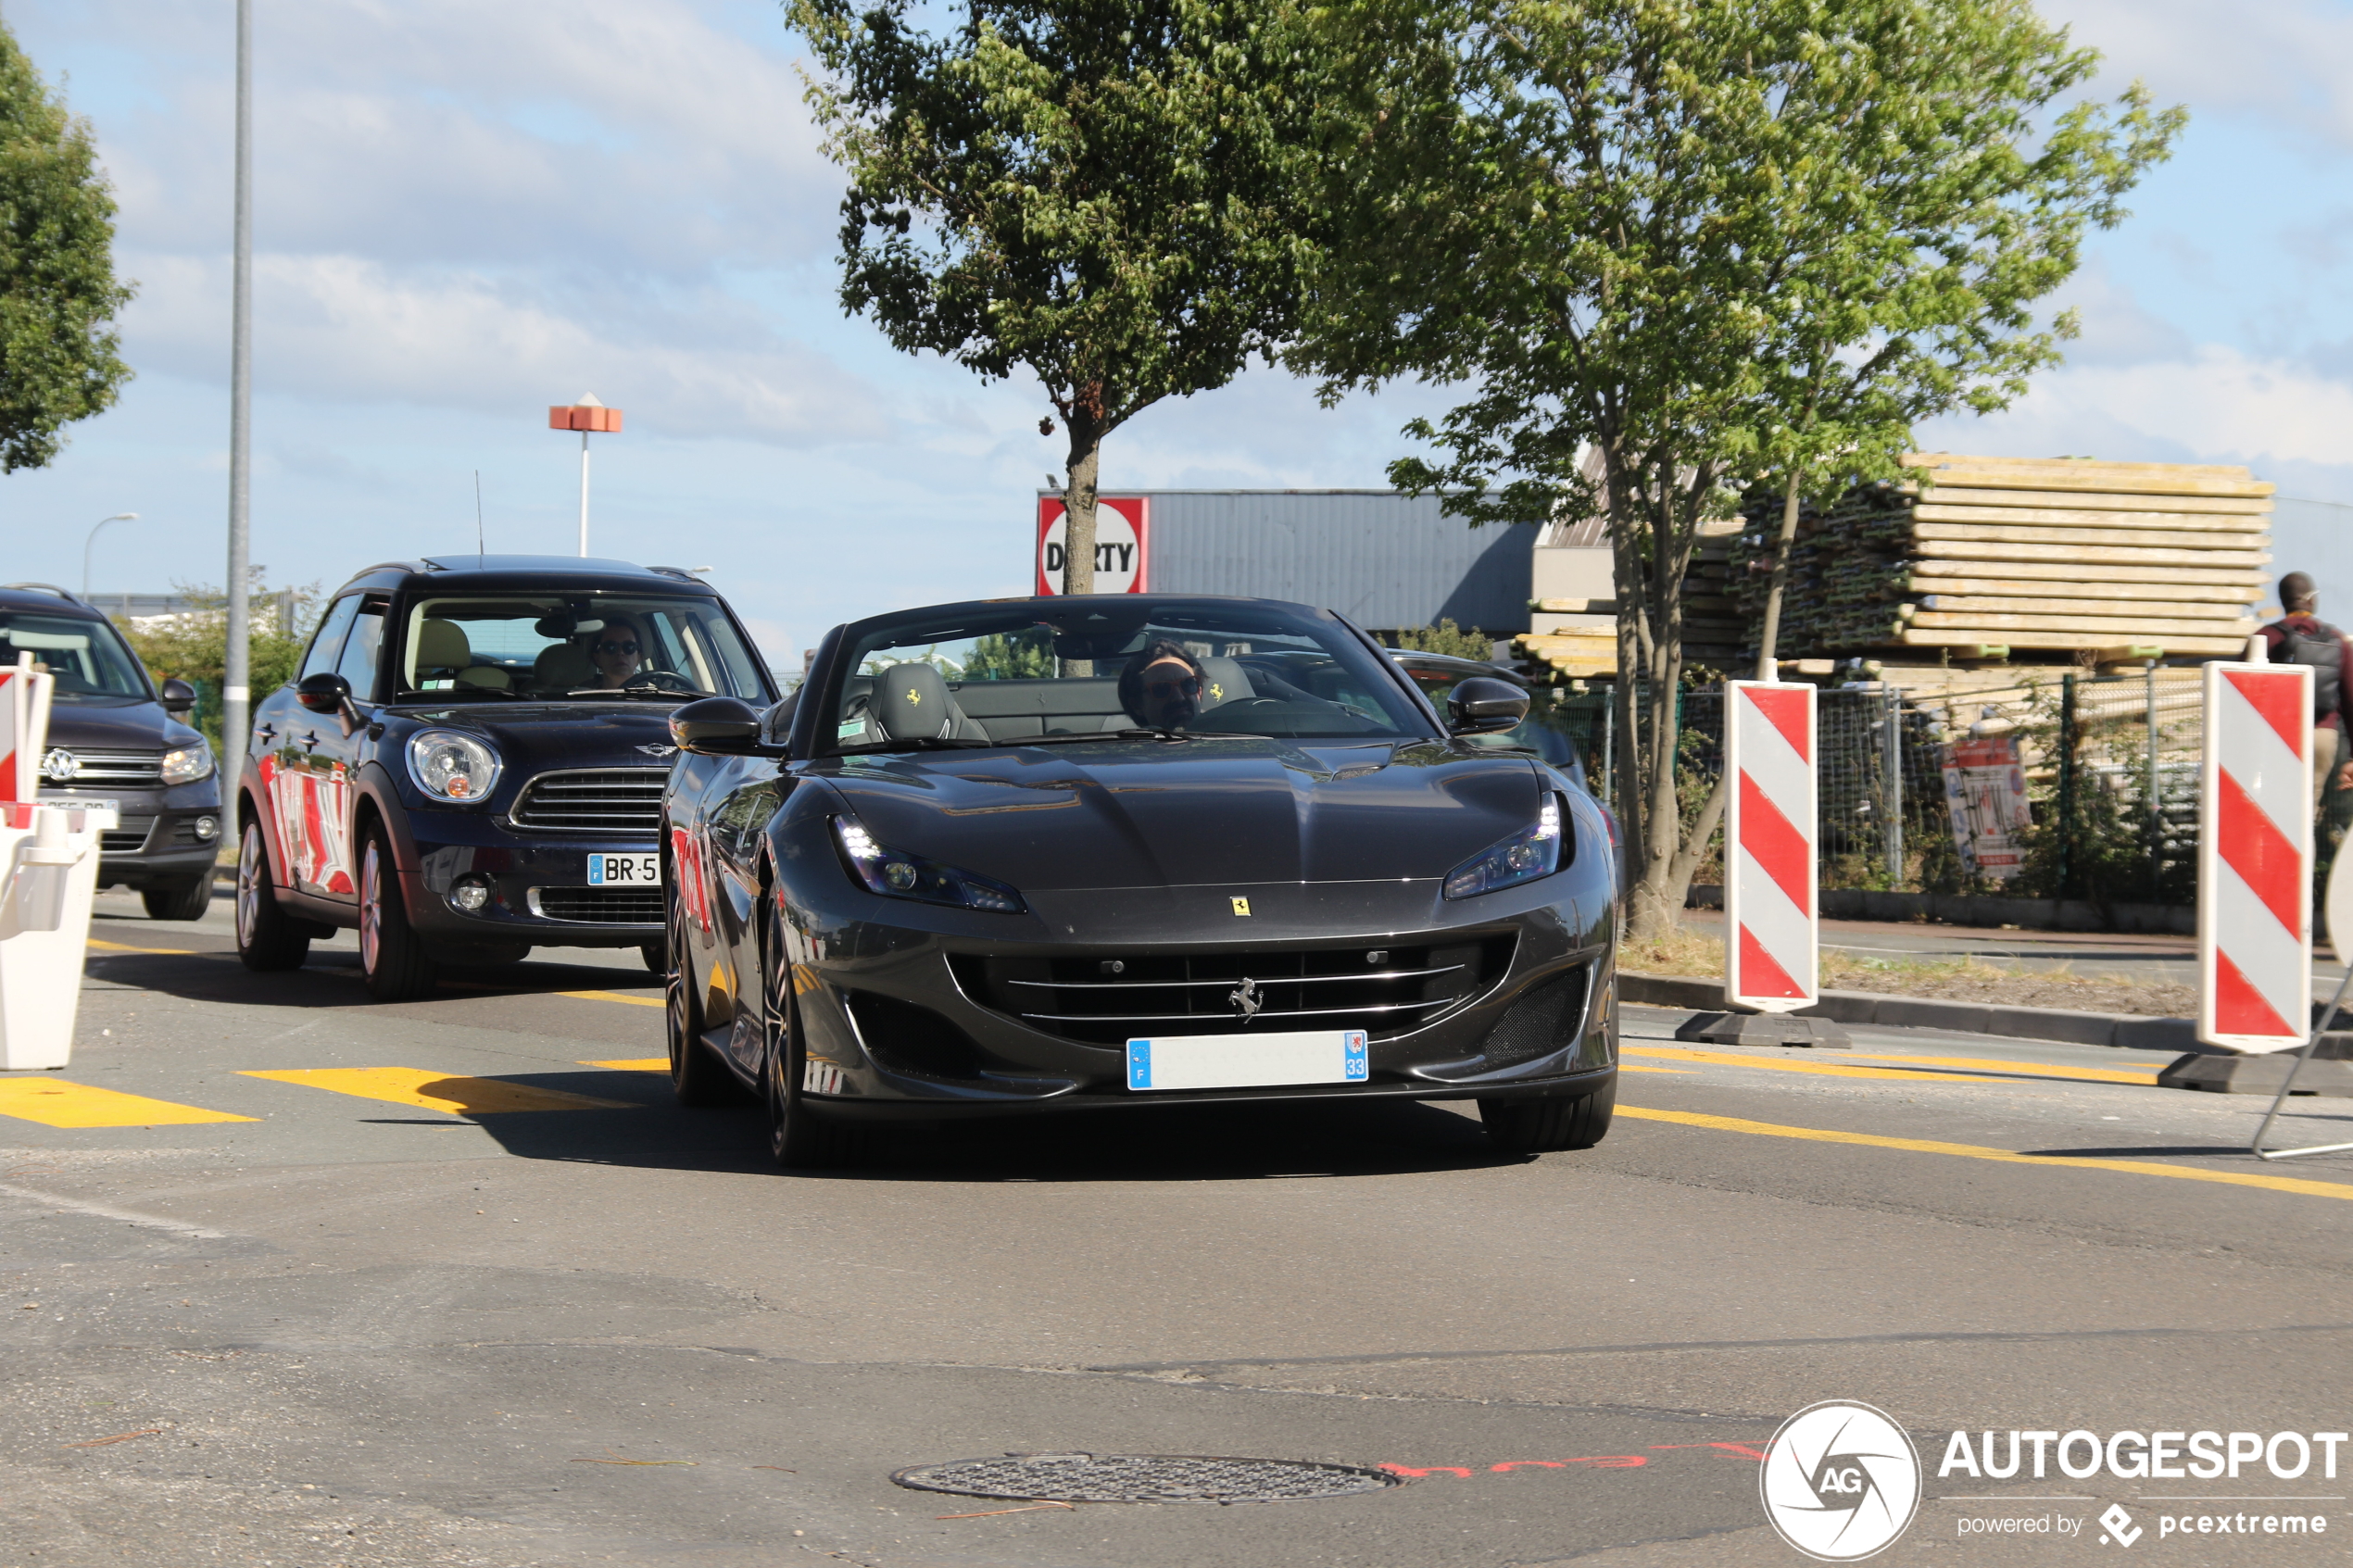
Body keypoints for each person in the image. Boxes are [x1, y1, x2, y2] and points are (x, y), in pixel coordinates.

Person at [2257, 572, 2353, 810]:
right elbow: (2351, 698)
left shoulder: (2265, 638)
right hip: (2322, 733)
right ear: (2311, 600)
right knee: (2305, 809)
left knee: (2273, 808)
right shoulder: (2336, 639)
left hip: (2276, 734)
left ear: (2283, 600)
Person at [1118, 639, 1205, 731]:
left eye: (1187, 684)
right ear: (1137, 705)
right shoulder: (1118, 745)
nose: (1179, 698)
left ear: (1199, 693)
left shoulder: (1220, 739)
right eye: (1162, 688)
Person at [587, 613, 646, 690]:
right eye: (610, 647)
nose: (620, 652)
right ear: (597, 658)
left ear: (639, 658)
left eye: (629, 646)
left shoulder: (657, 697)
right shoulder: (579, 699)